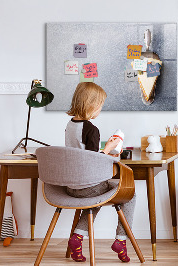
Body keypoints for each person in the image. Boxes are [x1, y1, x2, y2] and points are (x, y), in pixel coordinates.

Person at [65, 82, 135, 263]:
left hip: (71, 186)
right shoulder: (91, 129)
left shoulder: (70, 125)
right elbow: (93, 161)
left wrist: (104, 149)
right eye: (100, 106)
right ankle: (121, 240)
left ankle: (77, 238)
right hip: (88, 186)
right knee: (130, 194)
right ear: (91, 105)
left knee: (95, 198)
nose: (100, 110)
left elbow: (82, 154)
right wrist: (110, 148)